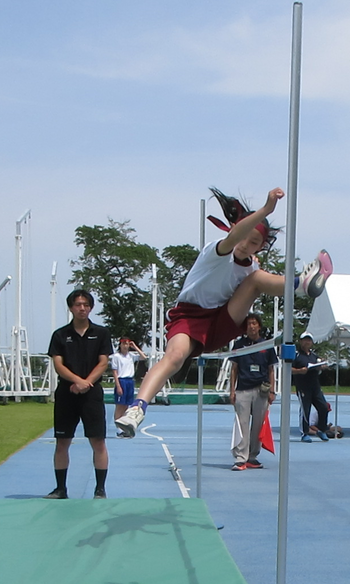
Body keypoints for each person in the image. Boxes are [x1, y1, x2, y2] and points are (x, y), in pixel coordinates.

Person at [116, 186, 333, 438]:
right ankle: (137, 409)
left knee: (257, 279)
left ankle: (300, 286)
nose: (246, 245)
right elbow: (235, 238)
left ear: (261, 247)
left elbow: (254, 275)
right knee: (175, 357)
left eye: (254, 242)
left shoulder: (252, 268)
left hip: (221, 320)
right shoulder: (217, 251)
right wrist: (266, 210)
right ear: (235, 231)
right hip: (189, 316)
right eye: (244, 236)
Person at [45, 289, 113, 499]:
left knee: (98, 442)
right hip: (67, 394)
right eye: (78, 305)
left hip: (92, 395)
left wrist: (86, 383)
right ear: (71, 308)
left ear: (90, 307)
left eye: (86, 305)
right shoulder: (60, 335)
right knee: (62, 442)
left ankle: (100, 489)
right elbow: (58, 365)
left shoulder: (101, 333)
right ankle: (60, 489)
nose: (82, 308)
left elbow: (103, 362)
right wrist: (77, 381)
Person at [229, 313, 278, 470]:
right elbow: (234, 369)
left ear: (259, 326)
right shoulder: (239, 345)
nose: (251, 326)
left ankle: (252, 456)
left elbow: (271, 370)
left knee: (258, 425)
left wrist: (272, 391)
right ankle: (240, 458)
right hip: (243, 389)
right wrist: (232, 391)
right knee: (242, 424)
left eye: (254, 323)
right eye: (249, 324)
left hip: (261, 390)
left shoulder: (267, 345)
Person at [292, 332, 330, 442]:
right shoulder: (296, 355)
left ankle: (322, 429)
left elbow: (319, 367)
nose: (307, 342)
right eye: (305, 340)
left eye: (309, 340)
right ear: (301, 341)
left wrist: (321, 367)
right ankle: (304, 433)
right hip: (303, 387)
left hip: (315, 387)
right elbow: (289, 369)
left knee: (324, 407)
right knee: (305, 410)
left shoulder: (314, 356)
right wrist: (300, 371)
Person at [111, 338, 147, 434]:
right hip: (121, 380)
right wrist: (118, 385)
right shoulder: (116, 356)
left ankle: (124, 426)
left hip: (130, 381)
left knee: (126, 406)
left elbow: (144, 357)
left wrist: (135, 347)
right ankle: (118, 430)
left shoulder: (131, 356)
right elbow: (114, 371)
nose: (125, 346)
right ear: (120, 345)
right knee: (119, 406)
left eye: (127, 344)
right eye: (123, 344)